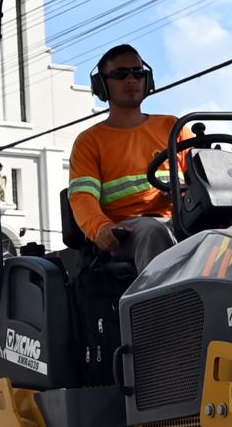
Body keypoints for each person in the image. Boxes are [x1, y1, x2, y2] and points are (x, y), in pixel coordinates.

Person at [68, 43, 182, 272]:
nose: (131, 79)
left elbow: (205, 177)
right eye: (120, 74)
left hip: (180, 220)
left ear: (146, 80)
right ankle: (166, 307)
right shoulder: (90, 142)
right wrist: (100, 228)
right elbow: (82, 197)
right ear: (101, 86)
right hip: (127, 231)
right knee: (154, 231)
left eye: (138, 73)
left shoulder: (174, 127)